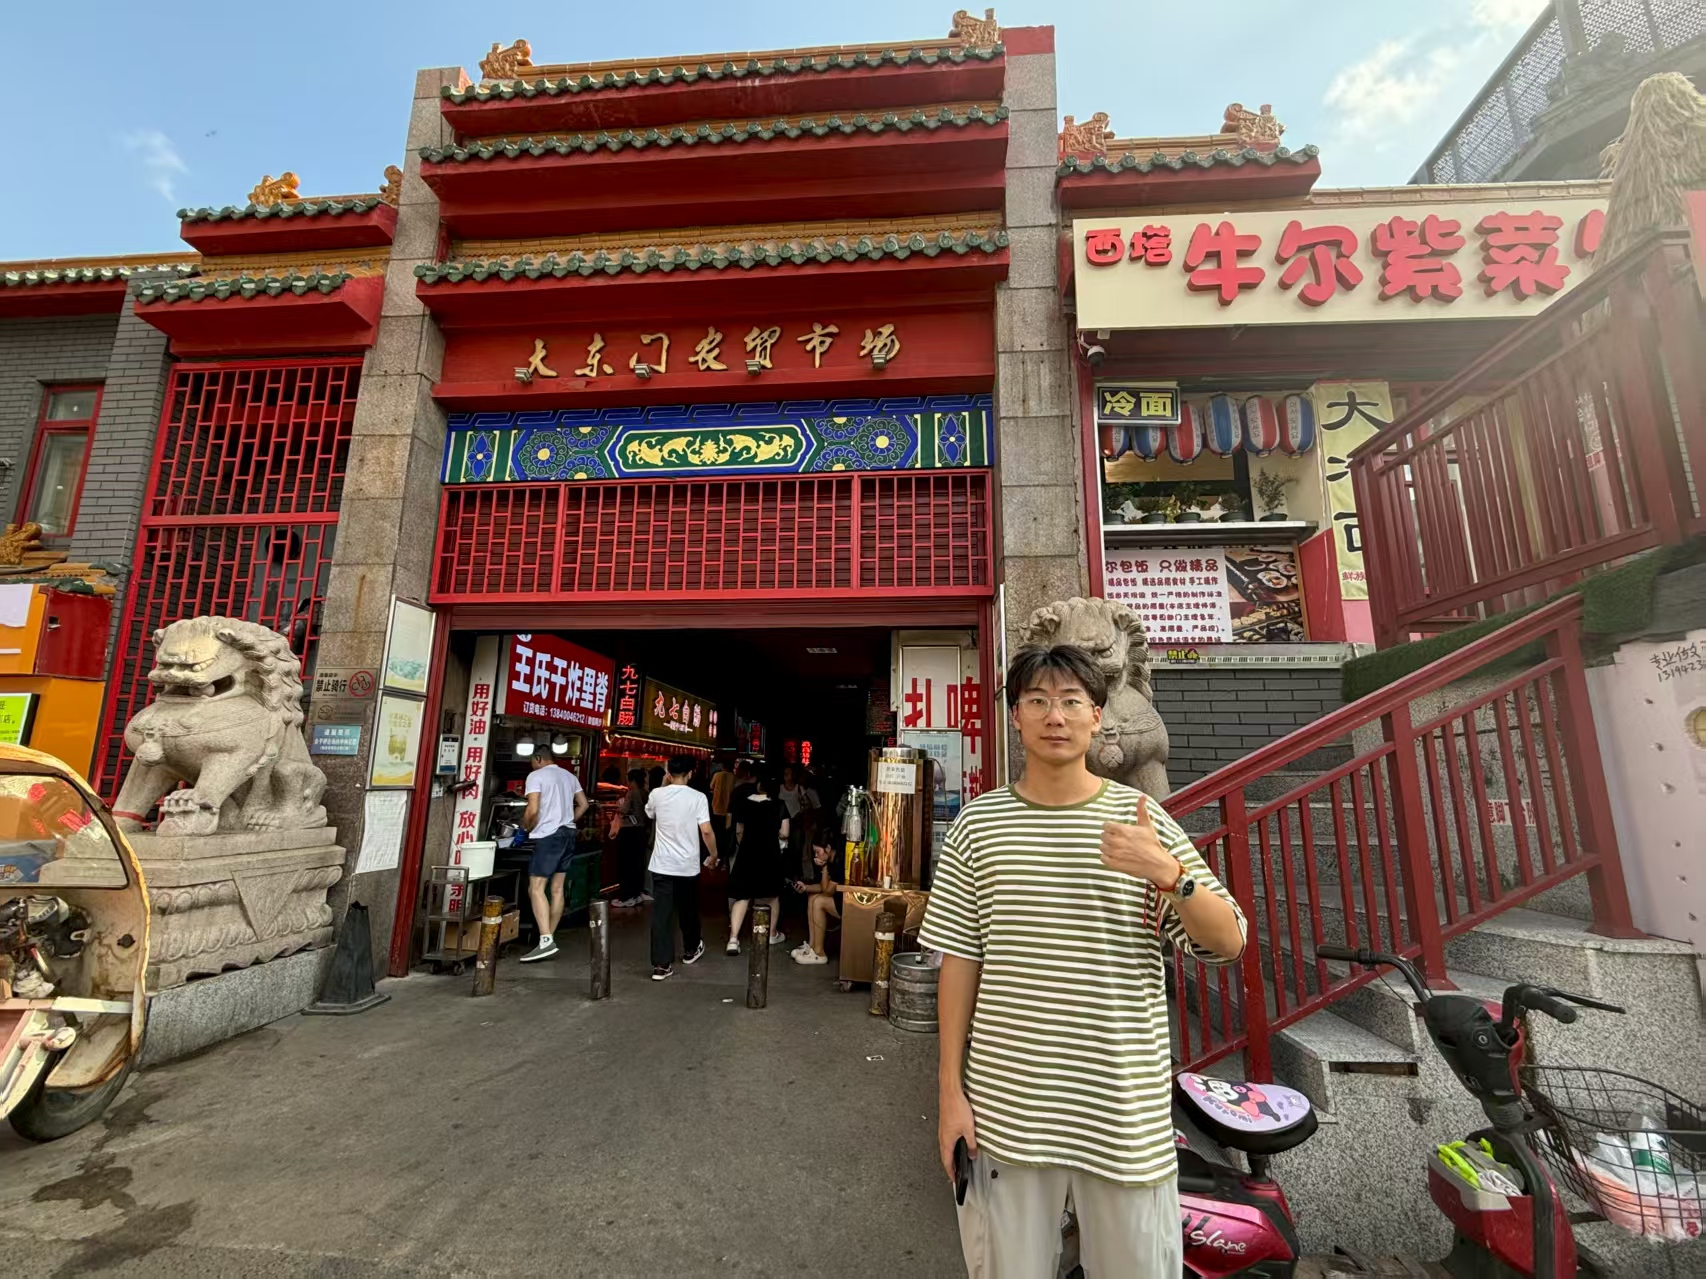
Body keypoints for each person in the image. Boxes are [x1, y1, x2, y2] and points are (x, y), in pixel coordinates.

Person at [920, 644, 1247, 1277]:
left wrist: (1168, 873)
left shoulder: (1142, 820)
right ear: (1015, 716)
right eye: (1038, 701)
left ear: (1097, 717)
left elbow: (1228, 942)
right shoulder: (978, 826)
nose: (1055, 716)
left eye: (1072, 701)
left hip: (1122, 1111)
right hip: (1008, 1112)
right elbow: (960, 962)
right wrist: (949, 1094)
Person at [645, 755, 718, 981]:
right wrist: (714, 854)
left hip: (662, 864)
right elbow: (706, 830)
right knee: (688, 909)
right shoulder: (698, 797)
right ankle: (690, 949)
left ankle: (661, 965)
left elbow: (650, 813)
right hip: (687, 865)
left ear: (668, 773)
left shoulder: (656, 794)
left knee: (662, 914)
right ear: (690, 773)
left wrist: (663, 785)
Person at [518, 747, 591, 963]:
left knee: (536, 888)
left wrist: (525, 829)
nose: (532, 765)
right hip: (568, 834)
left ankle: (546, 941)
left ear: (538, 758)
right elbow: (584, 805)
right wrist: (568, 821)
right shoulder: (569, 776)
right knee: (557, 888)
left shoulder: (536, 776)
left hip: (549, 837)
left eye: (532, 761)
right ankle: (547, 938)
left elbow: (532, 809)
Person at [725, 765, 790, 955]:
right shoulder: (779, 806)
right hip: (770, 854)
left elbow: (739, 830)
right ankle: (771, 934)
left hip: (747, 853)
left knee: (742, 896)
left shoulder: (745, 803)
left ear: (759, 784)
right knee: (772, 896)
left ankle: (733, 939)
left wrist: (745, 844)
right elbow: (785, 833)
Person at [788, 836, 842, 966]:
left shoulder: (840, 861)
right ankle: (812, 946)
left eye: (818, 852)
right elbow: (823, 887)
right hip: (837, 898)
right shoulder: (829, 860)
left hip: (845, 903)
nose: (816, 856)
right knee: (812, 897)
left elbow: (827, 891)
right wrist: (806, 888)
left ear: (828, 848)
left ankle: (819, 953)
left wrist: (824, 868)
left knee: (819, 902)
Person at [614, 768, 649, 908]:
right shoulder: (644, 792)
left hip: (629, 831)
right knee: (637, 864)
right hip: (640, 830)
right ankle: (636, 894)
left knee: (626, 864)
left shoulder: (632, 792)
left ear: (631, 779)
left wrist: (619, 805)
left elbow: (624, 810)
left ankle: (627, 896)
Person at [778, 764, 817, 880]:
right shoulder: (779, 788)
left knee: (796, 849)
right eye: (785, 774)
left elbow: (807, 804)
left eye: (788, 773)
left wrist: (799, 813)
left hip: (796, 823)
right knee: (783, 849)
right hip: (782, 823)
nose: (786, 776)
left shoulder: (799, 788)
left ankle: (795, 875)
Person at [709, 757, 738, 866]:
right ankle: (725, 860)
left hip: (716, 808)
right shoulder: (734, 777)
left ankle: (716, 857)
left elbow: (711, 787)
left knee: (717, 834)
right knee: (727, 835)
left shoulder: (717, 775)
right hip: (729, 810)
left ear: (723, 766)